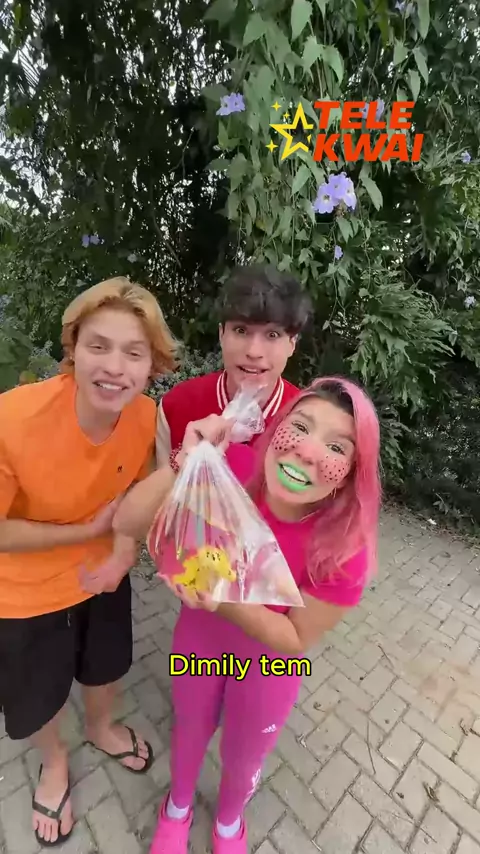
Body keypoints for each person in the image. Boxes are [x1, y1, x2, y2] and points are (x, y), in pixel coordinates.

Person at [114, 376, 381, 854]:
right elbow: (128, 523)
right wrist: (186, 460)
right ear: (276, 429)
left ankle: (229, 822)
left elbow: (294, 638)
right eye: (301, 427)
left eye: (336, 447)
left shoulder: (344, 550)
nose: (307, 452)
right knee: (190, 730)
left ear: (350, 473)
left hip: (269, 670)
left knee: (243, 754)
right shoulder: (227, 470)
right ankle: (177, 806)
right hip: (199, 646)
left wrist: (220, 595)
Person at [0, 277, 178, 847]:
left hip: (103, 572)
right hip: (23, 587)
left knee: (106, 665)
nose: (114, 368)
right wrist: (86, 531)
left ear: (152, 366)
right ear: (73, 348)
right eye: (98, 346)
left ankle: (101, 727)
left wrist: (122, 555)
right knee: (37, 692)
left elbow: (142, 499)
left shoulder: (147, 418)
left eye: (134, 353)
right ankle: (54, 764)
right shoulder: (13, 419)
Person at [155, 264, 312, 465]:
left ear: (292, 344)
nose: (253, 352)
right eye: (241, 331)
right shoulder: (177, 406)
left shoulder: (307, 419)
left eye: (272, 335)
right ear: (221, 334)